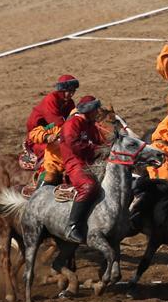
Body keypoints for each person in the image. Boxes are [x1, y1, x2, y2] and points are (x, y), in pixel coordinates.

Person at [60, 95, 106, 243]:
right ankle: (72, 226)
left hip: (92, 161)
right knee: (88, 186)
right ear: (89, 110)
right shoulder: (72, 123)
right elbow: (74, 145)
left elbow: (100, 143)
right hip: (75, 162)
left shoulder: (90, 124)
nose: (98, 112)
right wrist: (98, 149)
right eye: (95, 110)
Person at [24, 74, 79, 159]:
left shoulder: (69, 102)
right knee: (58, 153)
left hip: (57, 133)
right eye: (69, 91)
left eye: (73, 91)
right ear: (62, 90)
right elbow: (57, 122)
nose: (71, 94)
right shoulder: (51, 100)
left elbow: (72, 119)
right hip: (39, 137)